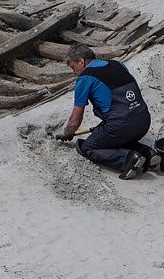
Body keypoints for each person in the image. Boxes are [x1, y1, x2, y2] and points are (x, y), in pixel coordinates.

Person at [57, 43, 151, 180]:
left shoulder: (85, 78)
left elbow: (75, 121)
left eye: (73, 67)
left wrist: (68, 133)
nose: (73, 72)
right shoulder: (117, 64)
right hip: (143, 120)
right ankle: (148, 153)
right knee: (112, 137)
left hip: (121, 126)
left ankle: (128, 159)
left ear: (81, 61)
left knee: (88, 147)